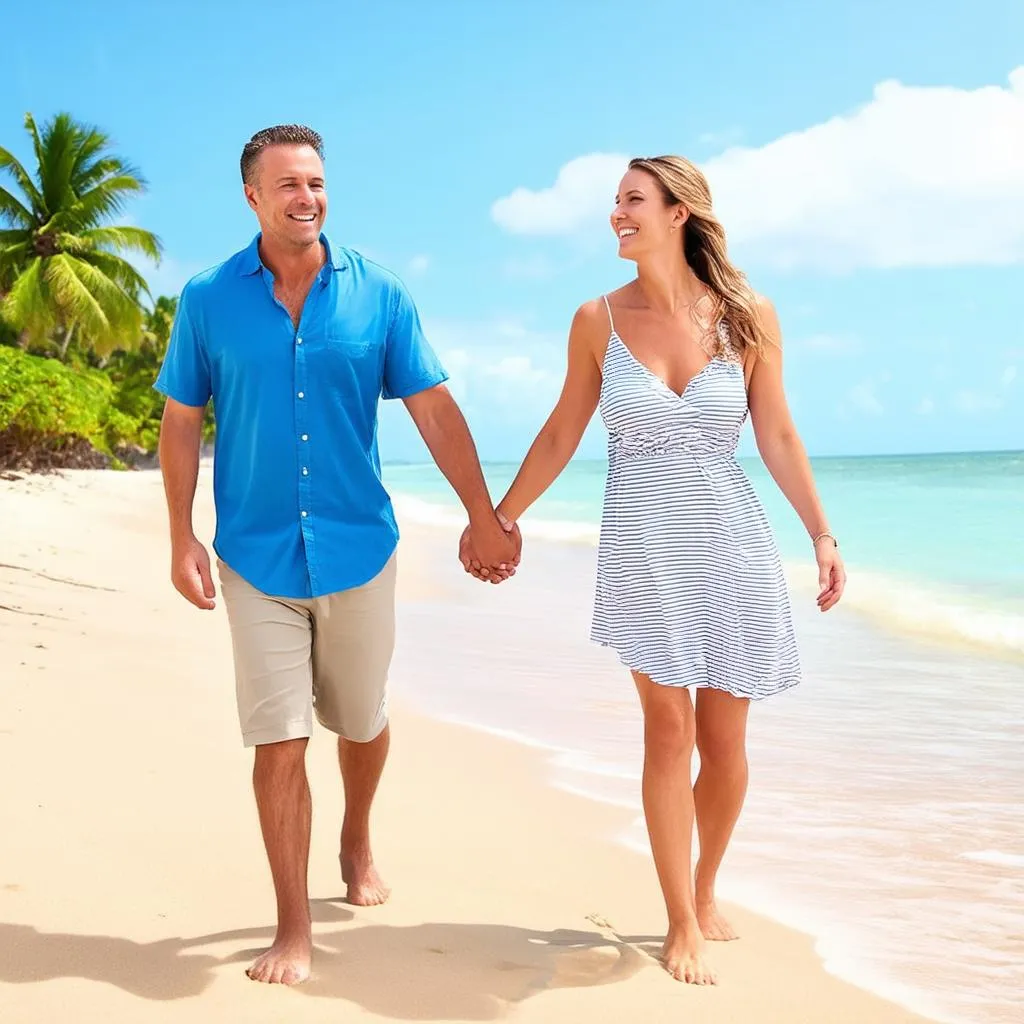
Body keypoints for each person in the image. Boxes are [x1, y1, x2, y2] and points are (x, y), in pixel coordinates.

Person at [461, 155, 846, 986]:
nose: (616, 216)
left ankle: (706, 887)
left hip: (732, 543)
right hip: (643, 545)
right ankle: (679, 920)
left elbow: (777, 434)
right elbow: (565, 429)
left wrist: (821, 533)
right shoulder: (596, 319)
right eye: (616, 204)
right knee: (667, 730)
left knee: (726, 741)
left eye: (632, 202)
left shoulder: (749, 315)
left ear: (679, 213)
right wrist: (502, 516)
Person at [154, 124, 519, 986]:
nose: (306, 198)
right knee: (278, 740)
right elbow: (180, 421)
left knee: (359, 718)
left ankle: (356, 833)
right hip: (254, 553)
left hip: (359, 546)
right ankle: (292, 927)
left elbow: (432, 407)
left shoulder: (379, 294)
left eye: (315, 182)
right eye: (286, 185)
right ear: (252, 196)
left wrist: (483, 515)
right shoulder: (207, 300)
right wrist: (180, 536)